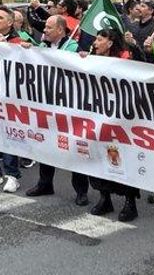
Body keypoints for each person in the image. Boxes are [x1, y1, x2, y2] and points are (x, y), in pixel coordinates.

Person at [27, 16, 87, 202]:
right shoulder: (42, 47)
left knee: (73, 146)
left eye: (49, 27)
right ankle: (45, 183)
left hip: (68, 105)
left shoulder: (73, 48)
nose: (44, 30)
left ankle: (81, 191)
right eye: (45, 27)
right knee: (45, 143)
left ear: (61, 30)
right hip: (46, 104)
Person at [86, 27, 142, 221]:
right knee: (98, 156)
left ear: (110, 43)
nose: (95, 43)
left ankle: (130, 201)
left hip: (121, 118)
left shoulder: (126, 58)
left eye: (99, 39)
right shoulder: (92, 57)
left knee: (121, 157)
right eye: (95, 39)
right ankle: (104, 197)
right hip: (97, 116)